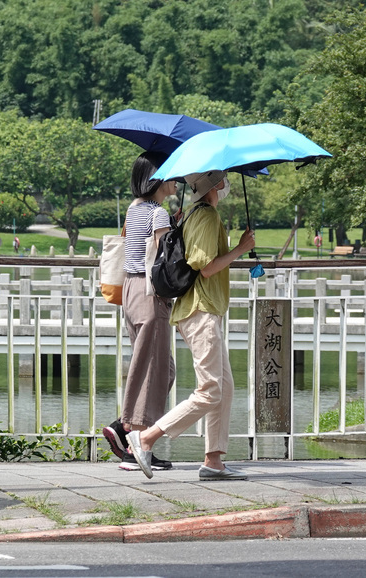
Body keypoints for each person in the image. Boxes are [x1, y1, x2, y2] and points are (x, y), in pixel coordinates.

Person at [126, 170, 255, 481]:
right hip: (200, 310)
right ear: (214, 185)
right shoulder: (207, 216)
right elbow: (206, 268)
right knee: (211, 389)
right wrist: (240, 248)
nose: (227, 185)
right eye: (224, 180)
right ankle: (146, 439)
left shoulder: (194, 214)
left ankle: (214, 461)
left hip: (197, 309)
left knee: (224, 387)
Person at [103, 151, 177, 472]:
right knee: (155, 369)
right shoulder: (158, 213)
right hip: (150, 293)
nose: (177, 178)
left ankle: (127, 427)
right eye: (172, 173)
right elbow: (165, 257)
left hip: (130, 290)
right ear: (158, 178)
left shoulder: (135, 209)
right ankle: (134, 442)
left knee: (158, 368)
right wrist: (177, 229)